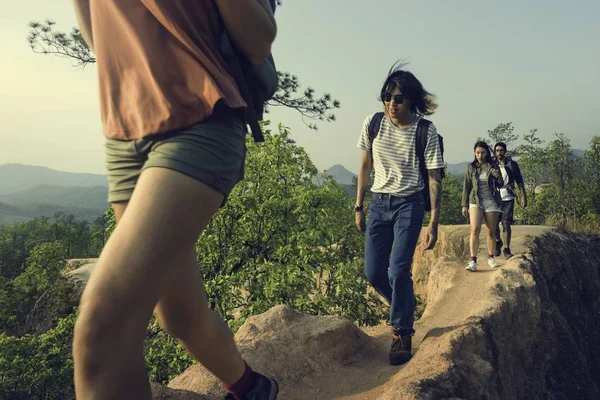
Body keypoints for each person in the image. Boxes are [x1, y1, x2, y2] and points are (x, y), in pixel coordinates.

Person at [71, 1, 278, 399]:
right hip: (124, 132)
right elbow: (98, 37)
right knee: (179, 314)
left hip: (200, 120)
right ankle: (254, 389)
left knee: (102, 326)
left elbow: (257, 40)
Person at [355, 62, 444, 366]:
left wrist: (433, 221)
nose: (391, 103)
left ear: (411, 100)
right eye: (387, 97)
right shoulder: (373, 123)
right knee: (373, 272)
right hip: (379, 204)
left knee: (397, 271)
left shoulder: (425, 131)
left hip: (410, 205)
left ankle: (402, 332)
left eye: (398, 98)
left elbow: (434, 176)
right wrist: (358, 205)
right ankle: (404, 305)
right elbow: (365, 166)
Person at [461, 141, 504, 272]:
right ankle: (473, 261)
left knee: (490, 231)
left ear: (487, 153)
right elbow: (466, 186)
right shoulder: (471, 167)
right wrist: (464, 205)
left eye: (483, 152)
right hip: (475, 200)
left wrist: (496, 174)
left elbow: (501, 183)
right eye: (478, 152)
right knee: (474, 229)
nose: (480, 155)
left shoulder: (493, 166)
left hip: (491, 200)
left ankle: (491, 258)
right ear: (474, 153)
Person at [493, 142, 527, 258]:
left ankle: (506, 248)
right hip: (495, 197)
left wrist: (523, 195)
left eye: (501, 150)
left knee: (506, 223)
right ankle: (498, 241)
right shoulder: (492, 165)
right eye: (497, 150)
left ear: (505, 151)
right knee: (494, 224)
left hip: (508, 196)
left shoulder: (512, 164)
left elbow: (519, 180)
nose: (499, 153)